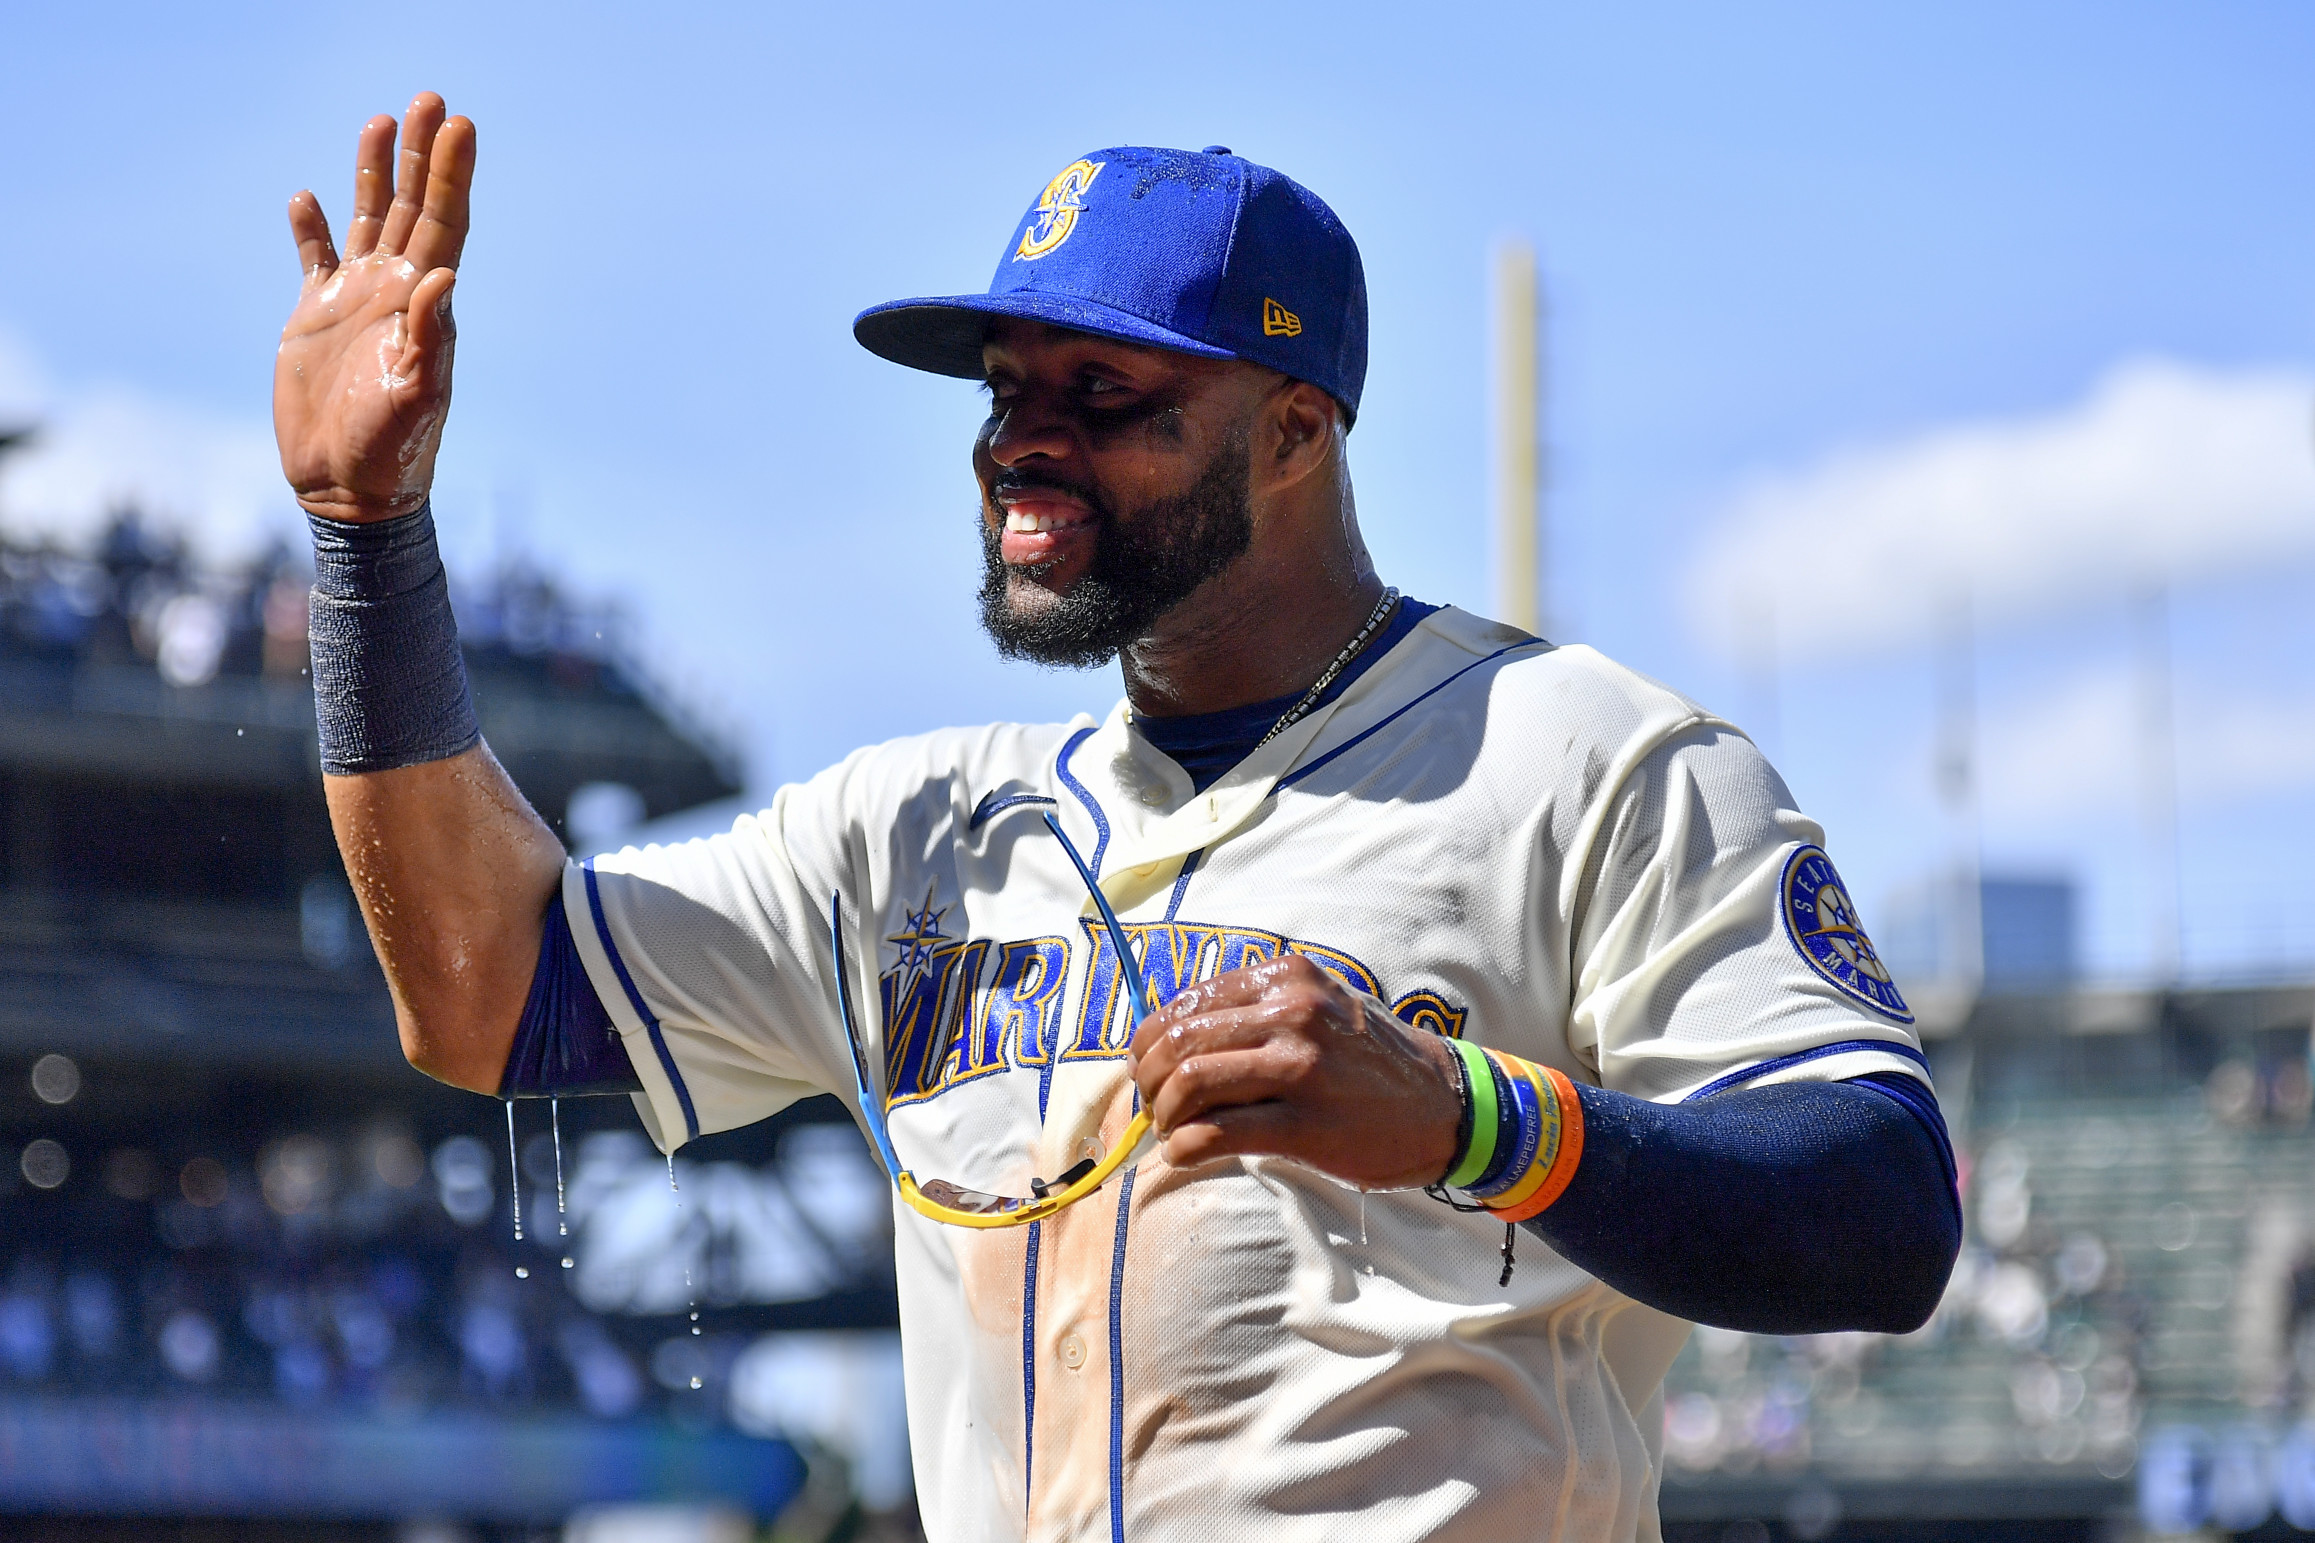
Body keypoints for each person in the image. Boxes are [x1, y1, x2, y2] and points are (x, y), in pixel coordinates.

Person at [274, 94, 1960, 1543]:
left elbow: (1879, 1209)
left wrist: (1473, 1120)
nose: (1028, 446)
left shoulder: (1583, 759)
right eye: (1007, 392)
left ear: (1298, 430)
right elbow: (488, 988)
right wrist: (367, 538)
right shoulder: (909, 833)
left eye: (1107, 397)